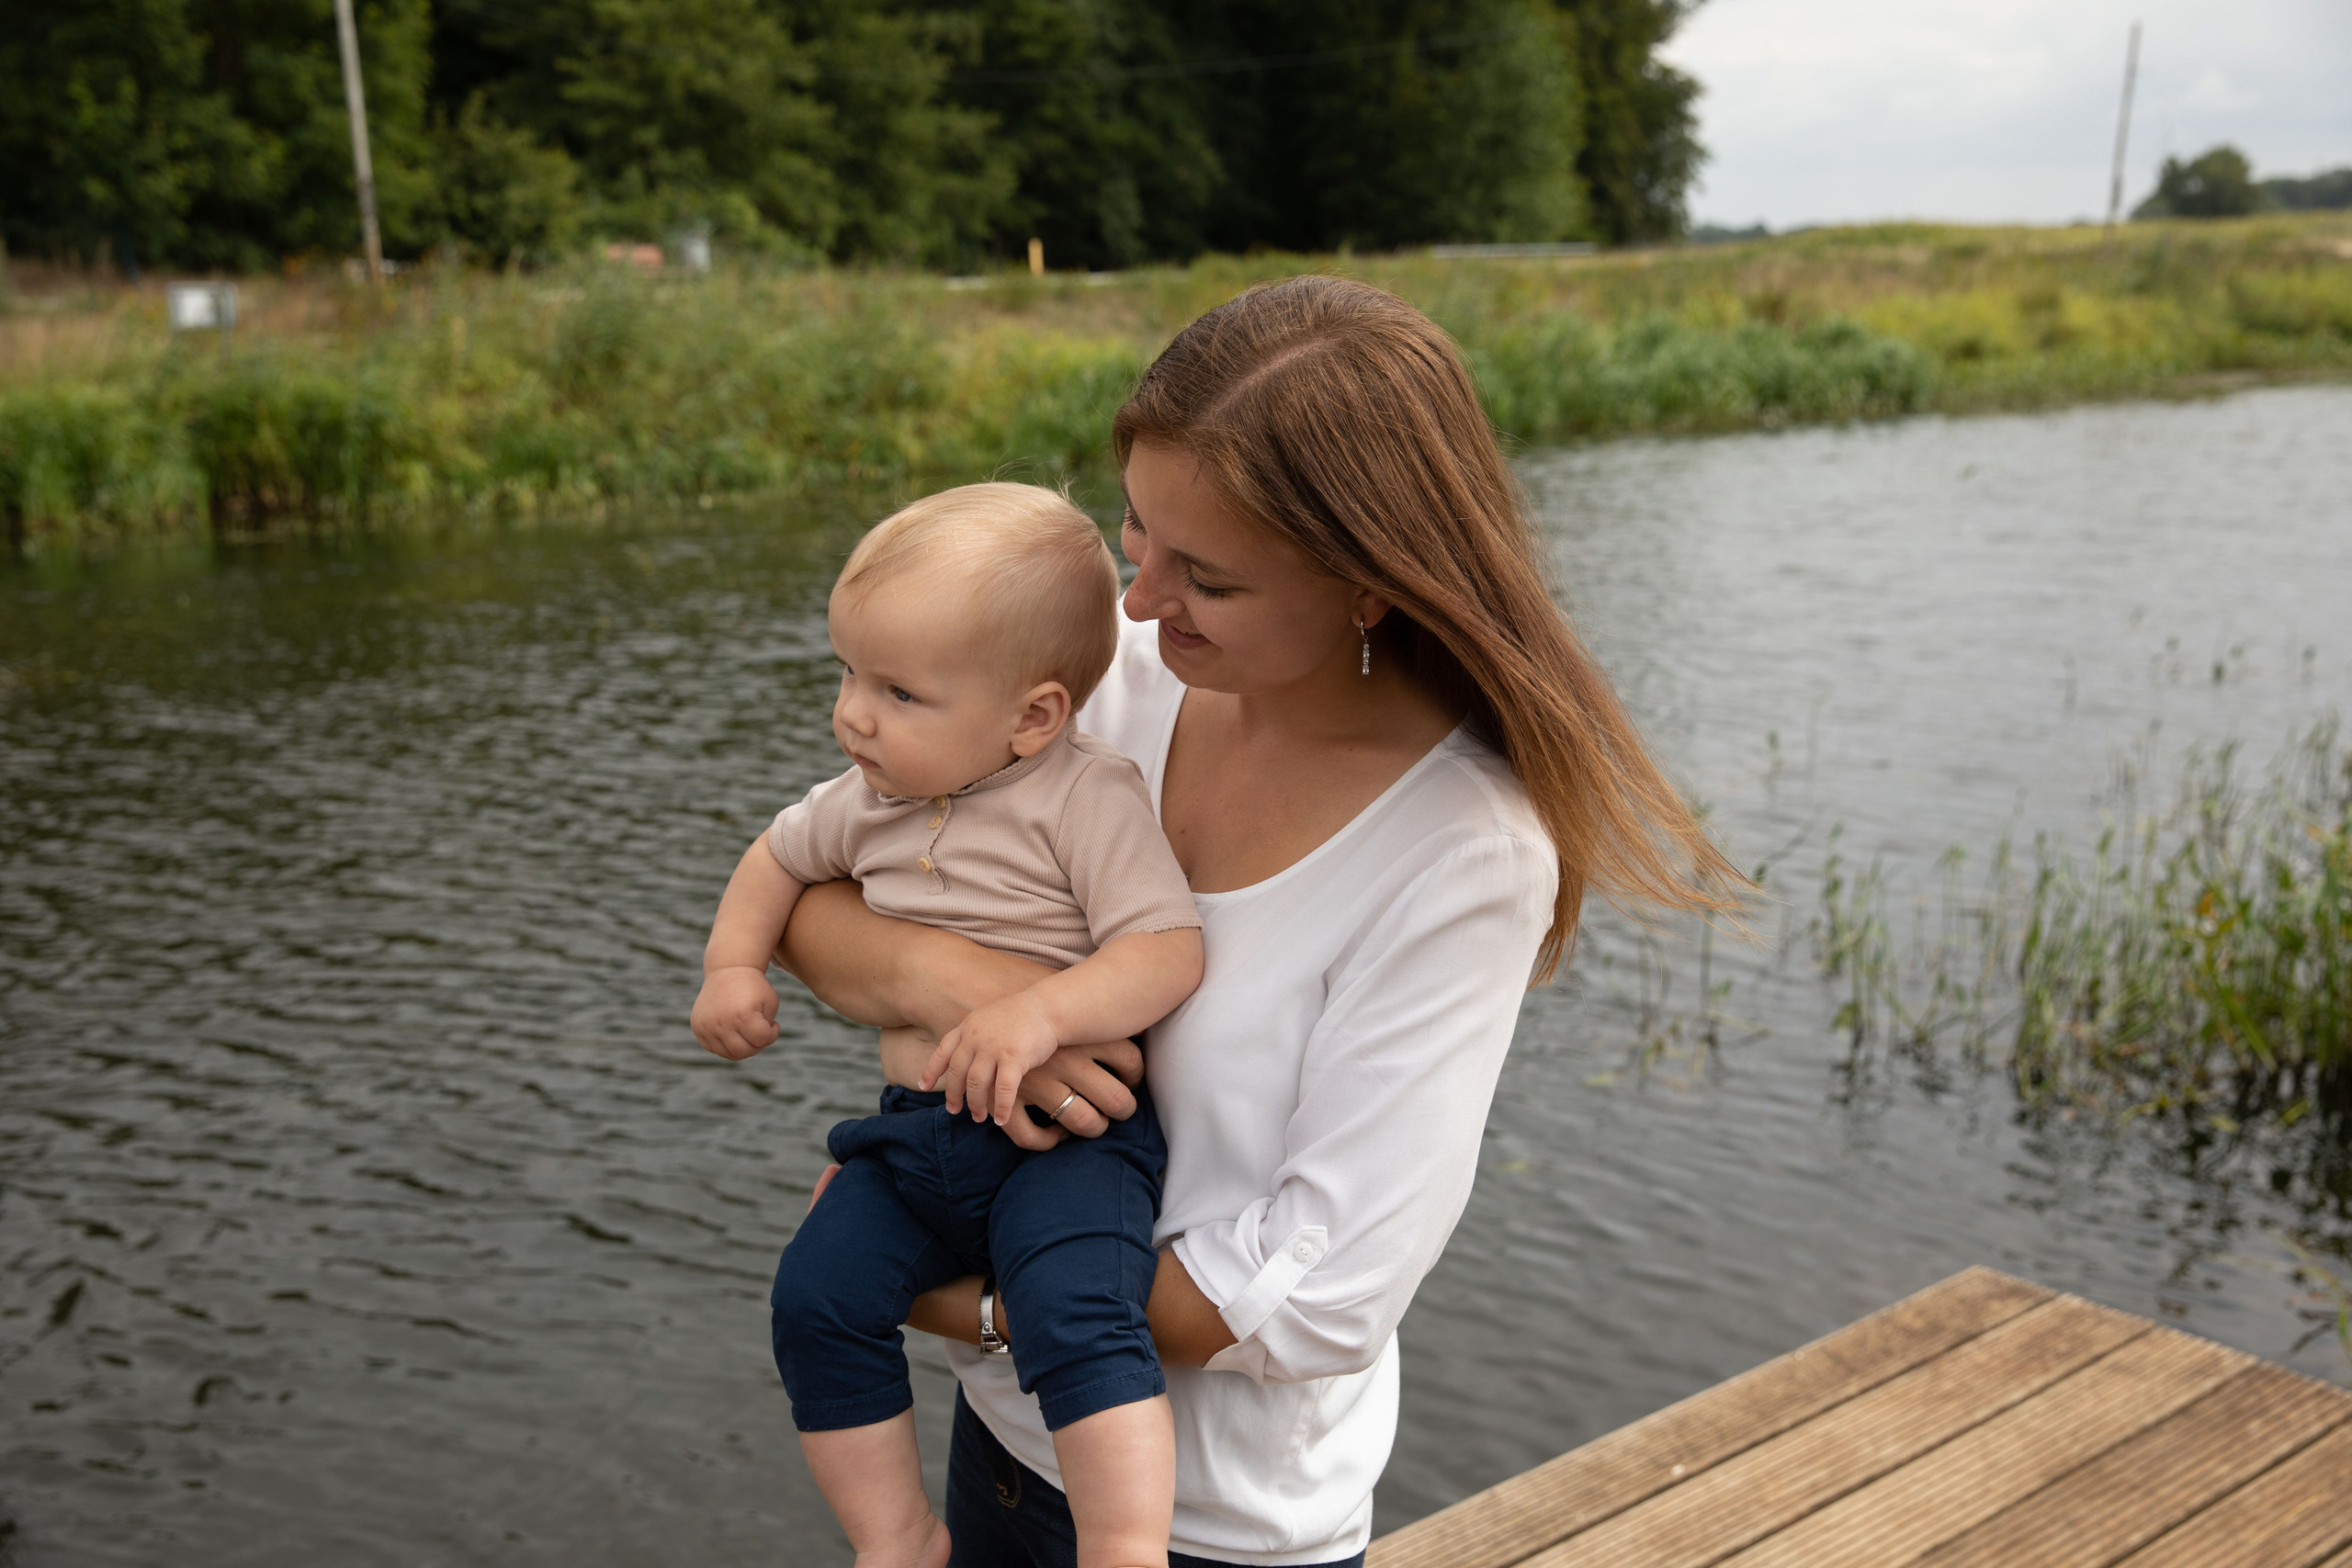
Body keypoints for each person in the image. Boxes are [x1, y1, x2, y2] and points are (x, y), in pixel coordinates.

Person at [775, 276, 1741, 1567]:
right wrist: (981, 996)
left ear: (1369, 585)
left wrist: (944, 1299)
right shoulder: (1102, 682)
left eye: (1209, 579)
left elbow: (1318, 1293)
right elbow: (812, 897)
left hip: (1214, 1525)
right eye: (1137, 533)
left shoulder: (1460, 851)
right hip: (1003, 1444)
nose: (1139, 601)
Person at [692, 483, 1206, 1568]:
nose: (853, 715)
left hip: (1068, 1145)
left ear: (1033, 717)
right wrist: (732, 967)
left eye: (899, 692)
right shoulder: (866, 797)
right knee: (816, 1295)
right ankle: (896, 1538)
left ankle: (1123, 1546)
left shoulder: (1084, 799)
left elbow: (1166, 948)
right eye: (847, 673)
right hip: (919, 1131)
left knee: (1078, 1310)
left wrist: (1041, 1010)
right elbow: (776, 859)